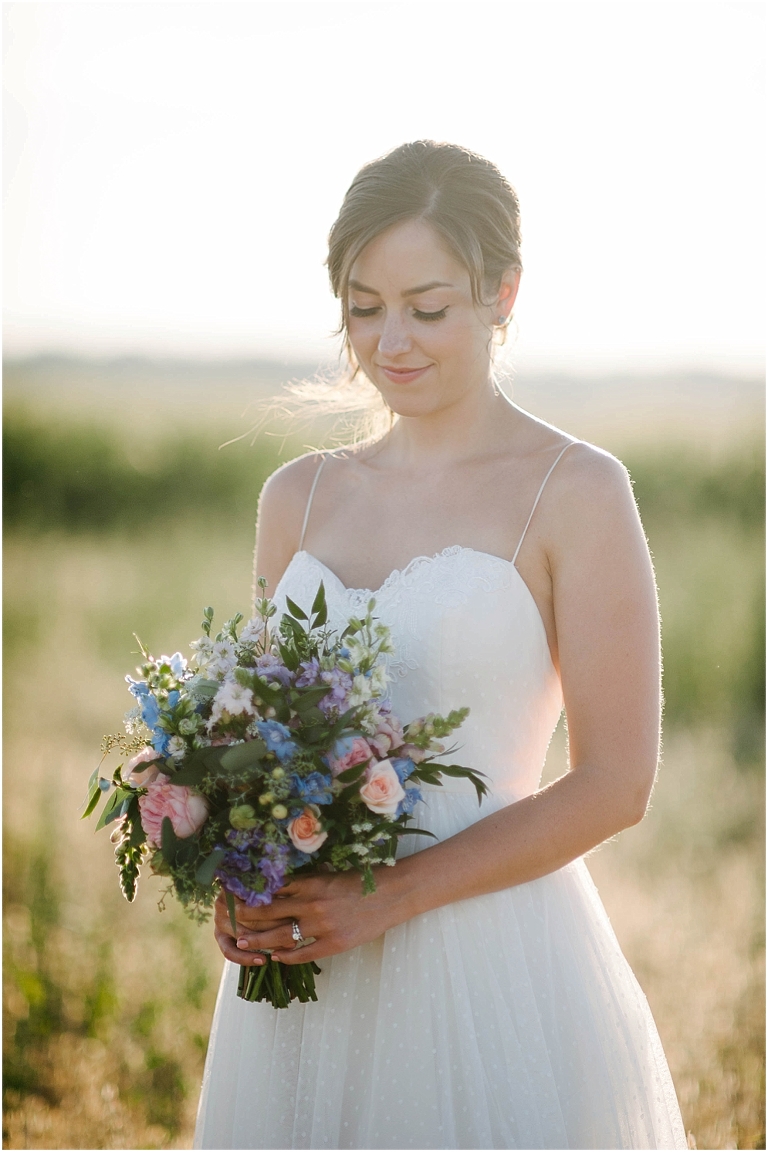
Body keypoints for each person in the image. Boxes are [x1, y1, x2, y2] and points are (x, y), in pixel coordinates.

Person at [194, 140, 687, 1150]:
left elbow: (617, 781)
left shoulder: (577, 491)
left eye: (429, 307)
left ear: (503, 293)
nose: (391, 341)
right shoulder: (299, 496)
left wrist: (388, 900)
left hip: (486, 961)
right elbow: (256, 737)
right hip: (302, 967)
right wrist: (235, 866)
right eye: (363, 305)